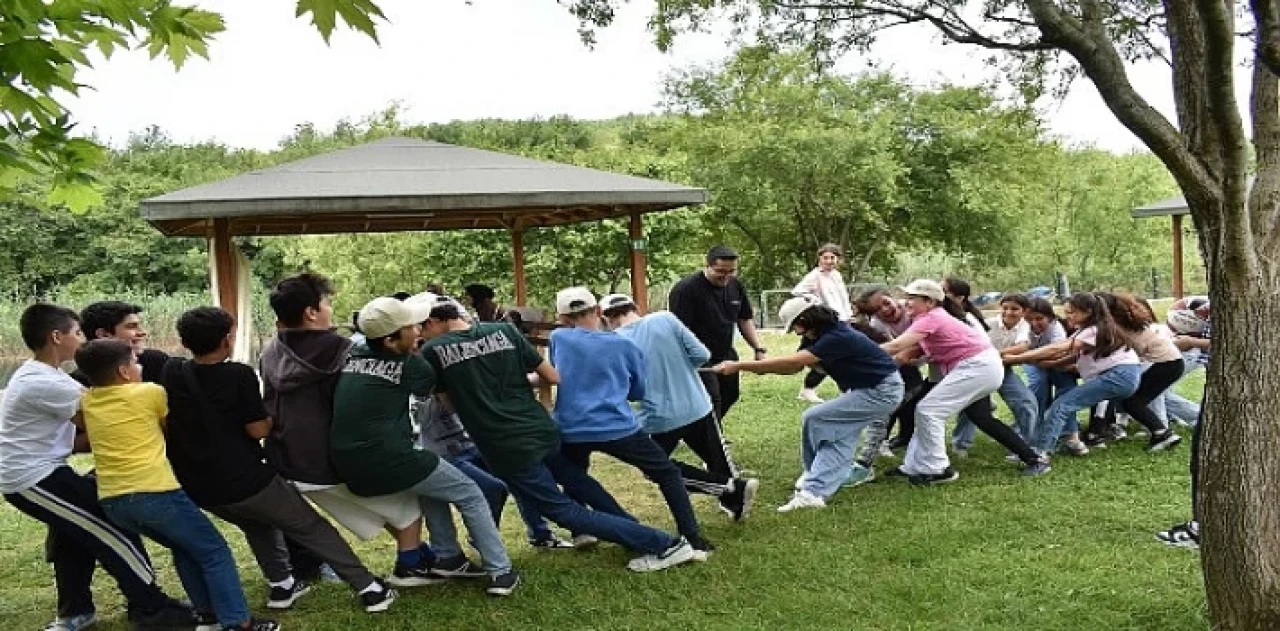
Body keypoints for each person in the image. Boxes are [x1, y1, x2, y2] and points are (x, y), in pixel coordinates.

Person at [420, 298, 696, 573]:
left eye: (421, 329)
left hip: (505, 445)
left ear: (432, 322)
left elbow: (450, 404)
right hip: (541, 429)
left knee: (562, 510)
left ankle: (663, 544)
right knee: (579, 482)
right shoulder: (503, 331)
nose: (420, 336)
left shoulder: (433, 351)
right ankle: (633, 533)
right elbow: (552, 376)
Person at [162, 307, 397, 613]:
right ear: (227, 338)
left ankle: (282, 586)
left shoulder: (173, 371)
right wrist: (272, 417)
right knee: (310, 527)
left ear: (184, 341)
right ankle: (370, 588)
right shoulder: (238, 374)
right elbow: (257, 429)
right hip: (246, 480)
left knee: (257, 525)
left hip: (200, 486)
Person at [0, 304, 194, 631]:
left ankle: (77, 612)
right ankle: (151, 609)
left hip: (45, 471)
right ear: (56, 336)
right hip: (31, 479)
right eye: (77, 333)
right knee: (111, 529)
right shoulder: (46, 383)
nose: (82, 339)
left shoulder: (44, 374)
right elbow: (107, 420)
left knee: (77, 531)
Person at [74, 339, 276, 631]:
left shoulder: (89, 400)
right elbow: (174, 428)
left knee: (184, 547)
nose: (139, 366)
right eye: (135, 362)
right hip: (155, 493)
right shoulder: (149, 393)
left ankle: (207, 616)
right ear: (124, 371)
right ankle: (238, 622)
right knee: (214, 550)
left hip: (113, 499)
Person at [331, 296, 520, 596]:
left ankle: (448, 556)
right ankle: (501, 571)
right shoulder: (413, 367)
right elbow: (428, 385)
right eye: (410, 327)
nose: (418, 329)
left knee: (433, 483)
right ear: (393, 341)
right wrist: (419, 353)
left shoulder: (355, 352)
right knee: (470, 493)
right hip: (391, 458)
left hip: (348, 460)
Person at [259, 272, 436, 587]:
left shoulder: (271, 351)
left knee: (388, 509)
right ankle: (410, 567)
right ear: (311, 312)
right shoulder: (343, 349)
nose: (330, 308)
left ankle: (416, 554)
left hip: (288, 461)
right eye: (326, 302)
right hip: (331, 459)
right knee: (408, 507)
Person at [550, 287, 712, 553]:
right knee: (667, 473)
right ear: (599, 312)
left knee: (576, 475)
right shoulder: (625, 345)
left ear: (563, 318)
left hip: (571, 426)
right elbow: (637, 391)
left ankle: (581, 531)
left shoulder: (558, 338)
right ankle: (691, 535)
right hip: (617, 427)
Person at [713, 295, 904, 511]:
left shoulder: (836, 336)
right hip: (868, 388)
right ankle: (814, 491)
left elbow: (795, 362)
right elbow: (793, 368)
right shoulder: (818, 336)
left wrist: (738, 365)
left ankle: (812, 477)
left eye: (795, 326)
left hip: (881, 391)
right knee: (838, 439)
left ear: (806, 319)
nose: (796, 331)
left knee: (815, 418)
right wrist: (760, 367)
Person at [600, 293, 758, 521]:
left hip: (660, 417)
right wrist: (681, 368)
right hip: (698, 403)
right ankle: (735, 499)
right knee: (716, 458)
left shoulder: (613, 343)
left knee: (654, 468)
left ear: (606, 318)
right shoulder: (665, 319)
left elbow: (625, 387)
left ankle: (728, 488)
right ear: (634, 307)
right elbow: (702, 355)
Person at [879, 280, 1046, 483]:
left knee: (928, 410)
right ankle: (1034, 459)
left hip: (977, 367)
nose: (906, 303)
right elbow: (908, 353)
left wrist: (861, 351)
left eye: (912, 298)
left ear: (929, 302)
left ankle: (939, 469)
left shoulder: (930, 317)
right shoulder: (930, 318)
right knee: (980, 417)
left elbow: (897, 345)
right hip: (980, 367)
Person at [1005, 292, 1144, 476]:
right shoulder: (1091, 328)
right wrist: (1050, 364)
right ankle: (1069, 443)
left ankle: (1039, 456)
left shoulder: (1093, 329)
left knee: (1062, 405)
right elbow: (1073, 356)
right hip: (1123, 376)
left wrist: (1017, 358)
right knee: (1065, 405)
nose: (1068, 316)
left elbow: (1058, 348)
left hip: (1118, 376)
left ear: (1087, 312)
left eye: (1072, 312)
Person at [414, 394, 573, 549]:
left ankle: (541, 534)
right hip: (443, 454)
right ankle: (482, 539)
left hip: (470, 444)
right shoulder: (416, 392)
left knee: (520, 473)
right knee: (494, 488)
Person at [668, 245, 768, 424]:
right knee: (712, 399)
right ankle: (713, 440)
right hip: (697, 355)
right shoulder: (686, 289)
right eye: (721, 271)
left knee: (731, 395)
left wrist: (758, 348)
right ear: (707, 266)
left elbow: (744, 319)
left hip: (725, 352)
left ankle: (701, 433)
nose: (726, 276)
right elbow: (678, 330)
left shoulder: (735, 286)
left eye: (731, 271)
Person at [951, 293, 1041, 454]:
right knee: (974, 405)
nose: (1009, 312)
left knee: (1026, 403)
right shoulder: (988, 324)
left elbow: (1022, 347)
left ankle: (1023, 444)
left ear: (1024, 311)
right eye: (1005, 308)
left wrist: (993, 354)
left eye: (1014, 309)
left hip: (1002, 368)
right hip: (979, 370)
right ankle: (961, 444)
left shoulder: (1023, 325)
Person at [1097, 293, 1184, 451]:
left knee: (1131, 401)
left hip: (1165, 364)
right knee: (1133, 400)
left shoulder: (1115, 326)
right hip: (1173, 361)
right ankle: (1161, 432)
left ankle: (1162, 433)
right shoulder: (1125, 319)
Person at [854, 286, 926, 451]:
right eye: (878, 309)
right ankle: (884, 440)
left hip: (929, 357)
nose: (885, 310)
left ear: (892, 297)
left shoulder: (913, 310)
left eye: (886, 303)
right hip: (902, 364)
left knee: (913, 399)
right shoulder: (877, 324)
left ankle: (904, 437)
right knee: (897, 400)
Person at [792, 243, 853, 403]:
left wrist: (849, 315)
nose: (829, 261)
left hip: (841, 319)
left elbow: (842, 297)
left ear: (838, 259)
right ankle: (809, 389)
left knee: (836, 356)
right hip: (825, 322)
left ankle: (844, 390)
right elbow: (797, 291)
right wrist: (815, 301)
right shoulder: (815, 275)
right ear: (819, 259)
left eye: (832, 258)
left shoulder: (836, 275)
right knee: (826, 356)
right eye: (825, 257)